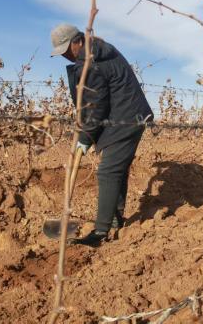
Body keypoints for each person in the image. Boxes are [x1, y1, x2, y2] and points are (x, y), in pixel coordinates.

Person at [50, 23, 153, 247]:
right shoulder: (95, 52)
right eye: (62, 53)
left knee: (108, 171)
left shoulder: (91, 62)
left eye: (67, 50)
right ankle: (114, 221)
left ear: (77, 41)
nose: (66, 56)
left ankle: (100, 232)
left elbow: (95, 104)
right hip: (124, 116)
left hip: (126, 119)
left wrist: (85, 138)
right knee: (116, 169)